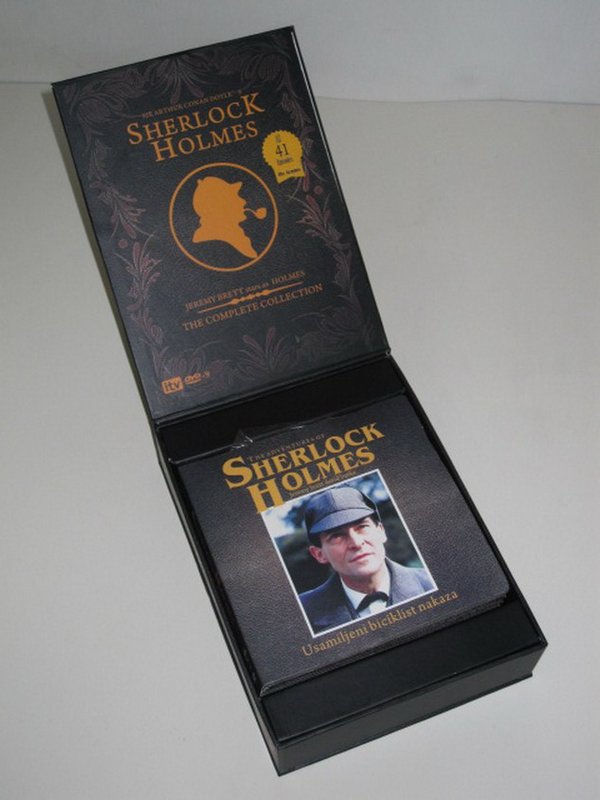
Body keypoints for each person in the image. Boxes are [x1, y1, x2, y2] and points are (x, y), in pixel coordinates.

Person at [299, 486, 434, 633]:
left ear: (381, 531)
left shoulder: (434, 581)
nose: (356, 543)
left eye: (362, 526)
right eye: (337, 536)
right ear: (319, 554)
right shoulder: (301, 614)